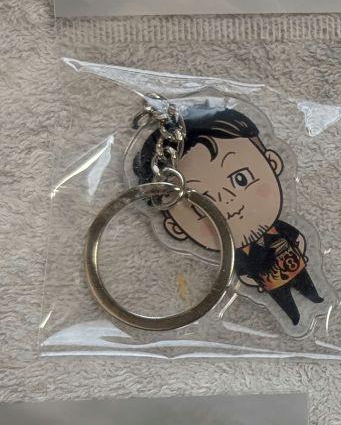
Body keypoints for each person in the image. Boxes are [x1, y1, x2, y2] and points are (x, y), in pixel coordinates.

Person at [134, 103, 326, 329]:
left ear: (272, 163)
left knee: (306, 284)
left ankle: (315, 298)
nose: (229, 203)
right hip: (271, 284)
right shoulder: (238, 256)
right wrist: (252, 280)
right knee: (284, 302)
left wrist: (299, 249)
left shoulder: (279, 230)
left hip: (295, 268)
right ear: (175, 227)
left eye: (241, 179)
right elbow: (243, 273)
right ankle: (295, 317)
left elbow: (297, 238)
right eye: (203, 204)